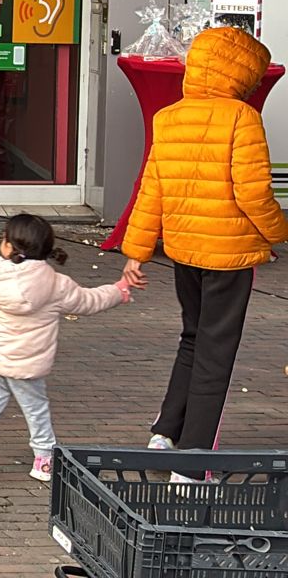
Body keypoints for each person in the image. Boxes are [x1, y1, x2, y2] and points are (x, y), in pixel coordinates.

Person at [122, 26, 288, 469]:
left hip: (184, 250)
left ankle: (165, 433)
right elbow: (254, 193)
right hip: (230, 254)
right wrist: (278, 232)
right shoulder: (241, 117)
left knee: (192, 339)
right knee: (216, 352)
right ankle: (193, 463)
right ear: (244, 74)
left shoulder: (169, 117)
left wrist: (136, 251)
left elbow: (151, 190)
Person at [0, 214, 130, 482]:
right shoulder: (56, 284)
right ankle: (43, 458)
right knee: (36, 410)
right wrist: (118, 291)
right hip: (28, 365)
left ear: (8, 246)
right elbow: (88, 301)